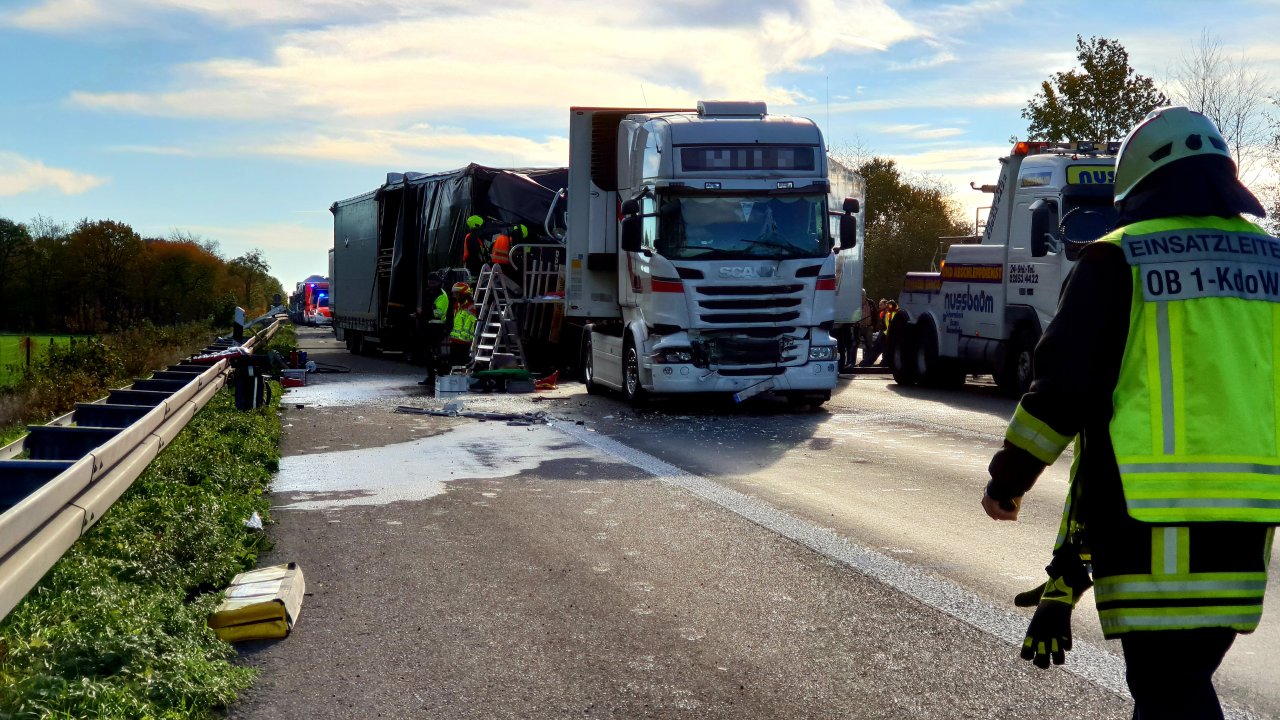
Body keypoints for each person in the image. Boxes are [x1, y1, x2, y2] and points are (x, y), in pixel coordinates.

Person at [981, 107, 1275, 719]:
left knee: (1170, 690)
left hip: (1148, 524)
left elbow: (1062, 392)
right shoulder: (1272, 264)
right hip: (1248, 524)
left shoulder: (1118, 259)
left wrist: (1007, 483)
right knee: (1179, 685)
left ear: (1136, 183)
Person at [417, 272, 451, 387]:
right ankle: (431, 376)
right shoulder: (429, 293)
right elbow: (428, 309)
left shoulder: (441, 295)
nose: (431, 284)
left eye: (433, 282)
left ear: (438, 283)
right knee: (428, 354)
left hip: (437, 328)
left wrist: (423, 313)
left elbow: (438, 313)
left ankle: (439, 376)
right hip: (429, 327)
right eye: (429, 282)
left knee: (435, 354)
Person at [447, 282, 478, 370]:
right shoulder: (457, 305)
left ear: (462, 294)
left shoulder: (470, 306)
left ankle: (461, 379)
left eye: (456, 293)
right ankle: (455, 379)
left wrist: (463, 338)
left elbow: (469, 325)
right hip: (455, 340)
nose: (454, 296)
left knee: (461, 362)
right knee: (454, 363)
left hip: (463, 341)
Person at [859, 299, 891, 367]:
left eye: (881, 305)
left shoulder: (888, 312)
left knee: (878, 349)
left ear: (885, 304)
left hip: (885, 333)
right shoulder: (884, 312)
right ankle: (882, 362)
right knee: (880, 349)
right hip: (884, 332)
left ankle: (867, 363)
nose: (879, 306)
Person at [461, 215, 489, 280]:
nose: (482, 228)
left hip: (476, 267)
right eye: (481, 226)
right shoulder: (471, 237)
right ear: (476, 225)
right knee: (474, 283)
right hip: (473, 267)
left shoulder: (475, 237)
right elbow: (475, 252)